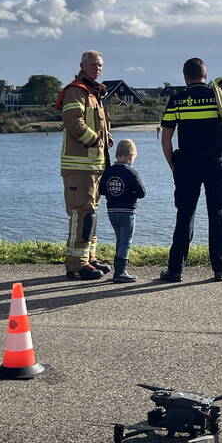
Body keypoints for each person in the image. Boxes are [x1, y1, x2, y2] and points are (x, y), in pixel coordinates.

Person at [159, 58, 222, 283]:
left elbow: (166, 139)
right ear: (205, 74)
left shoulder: (177, 100)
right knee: (218, 215)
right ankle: (220, 269)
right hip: (216, 163)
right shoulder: (219, 97)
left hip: (187, 164)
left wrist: (173, 164)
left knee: (184, 216)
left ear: (185, 76)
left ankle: (175, 270)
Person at [56, 50, 113, 281]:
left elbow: (98, 125)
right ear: (82, 65)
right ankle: (76, 266)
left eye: (99, 65)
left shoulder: (93, 93)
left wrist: (106, 139)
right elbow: (73, 122)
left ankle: (89, 258)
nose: (97, 68)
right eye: (92, 65)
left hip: (93, 167)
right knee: (81, 214)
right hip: (79, 166)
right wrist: (96, 140)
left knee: (90, 213)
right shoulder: (76, 91)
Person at [99, 139, 146, 283]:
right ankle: (120, 272)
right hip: (127, 211)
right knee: (126, 241)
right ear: (131, 155)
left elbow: (101, 190)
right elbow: (142, 193)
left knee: (120, 239)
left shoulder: (108, 171)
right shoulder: (132, 172)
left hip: (112, 211)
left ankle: (119, 270)